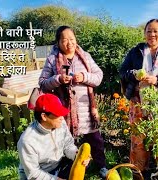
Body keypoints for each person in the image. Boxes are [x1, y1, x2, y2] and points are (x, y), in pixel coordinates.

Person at [38, 26, 108, 178]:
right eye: (64, 40)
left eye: (72, 39)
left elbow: (98, 76)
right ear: (58, 43)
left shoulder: (85, 56)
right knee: (67, 142)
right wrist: (58, 79)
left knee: (95, 141)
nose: (69, 43)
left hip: (87, 109)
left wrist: (84, 77)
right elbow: (43, 83)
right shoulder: (52, 59)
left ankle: (101, 167)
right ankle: (71, 170)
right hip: (63, 111)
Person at [119, 19, 158, 174]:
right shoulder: (136, 52)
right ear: (144, 33)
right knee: (139, 139)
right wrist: (134, 74)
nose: (152, 34)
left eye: (155, 31)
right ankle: (139, 172)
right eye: (148, 31)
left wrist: (157, 80)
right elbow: (123, 72)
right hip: (138, 103)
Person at [17, 94, 90, 180]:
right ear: (44, 116)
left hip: (57, 165)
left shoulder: (60, 124)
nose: (62, 118)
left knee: (81, 163)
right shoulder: (27, 141)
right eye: (58, 114)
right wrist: (56, 179)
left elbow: (68, 145)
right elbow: (34, 174)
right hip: (39, 175)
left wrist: (76, 154)